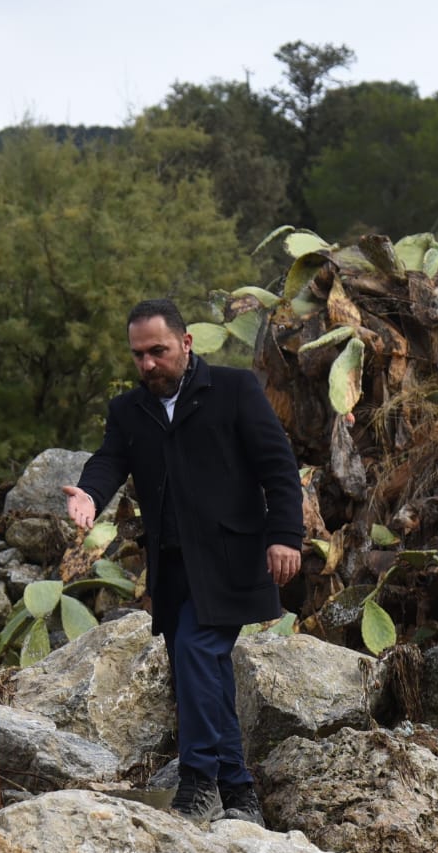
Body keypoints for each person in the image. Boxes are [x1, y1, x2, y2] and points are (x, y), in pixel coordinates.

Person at [61, 299, 304, 825]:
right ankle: (239, 792)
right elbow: (109, 460)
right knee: (203, 669)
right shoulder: (129, 410)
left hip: (231, 560)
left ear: (187, 343)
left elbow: (278, 467)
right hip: (173, 571)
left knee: (196, 651)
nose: (148, 363)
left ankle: (197, 782)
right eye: (138, 355)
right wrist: (89, 493)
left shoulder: (235, 389)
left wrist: (286, 536)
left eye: (159, 351)